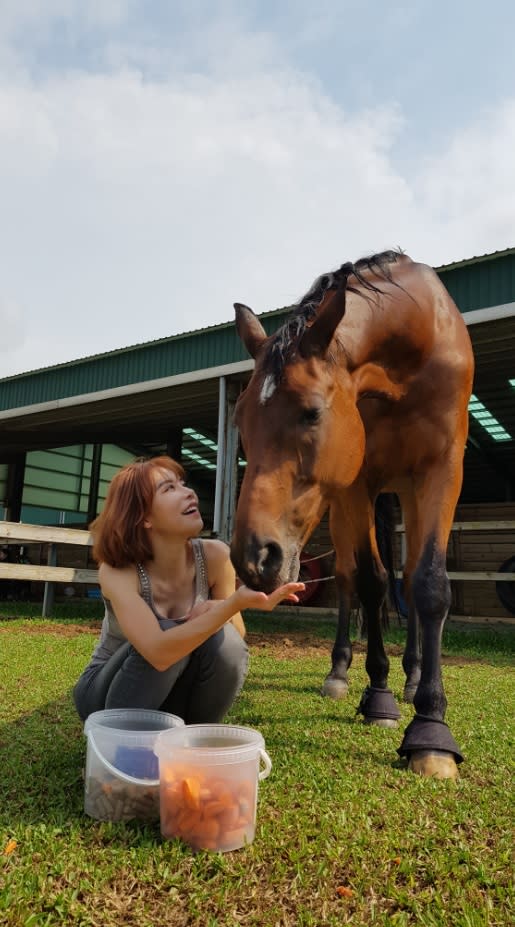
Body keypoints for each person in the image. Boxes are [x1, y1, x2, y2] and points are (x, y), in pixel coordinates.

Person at [73, 455, 304, 723]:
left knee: (227, 644)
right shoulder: (118, 571)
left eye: (183, 484)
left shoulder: (216, 556)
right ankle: (123, 742)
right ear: (143, 516)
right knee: (169, 634)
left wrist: (217, 607)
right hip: (106, 696)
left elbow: (236, 638)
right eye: (169, 488)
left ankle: (194, 739)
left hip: (173, 687)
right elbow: (158, 653)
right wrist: (231, 605)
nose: (189, 493)